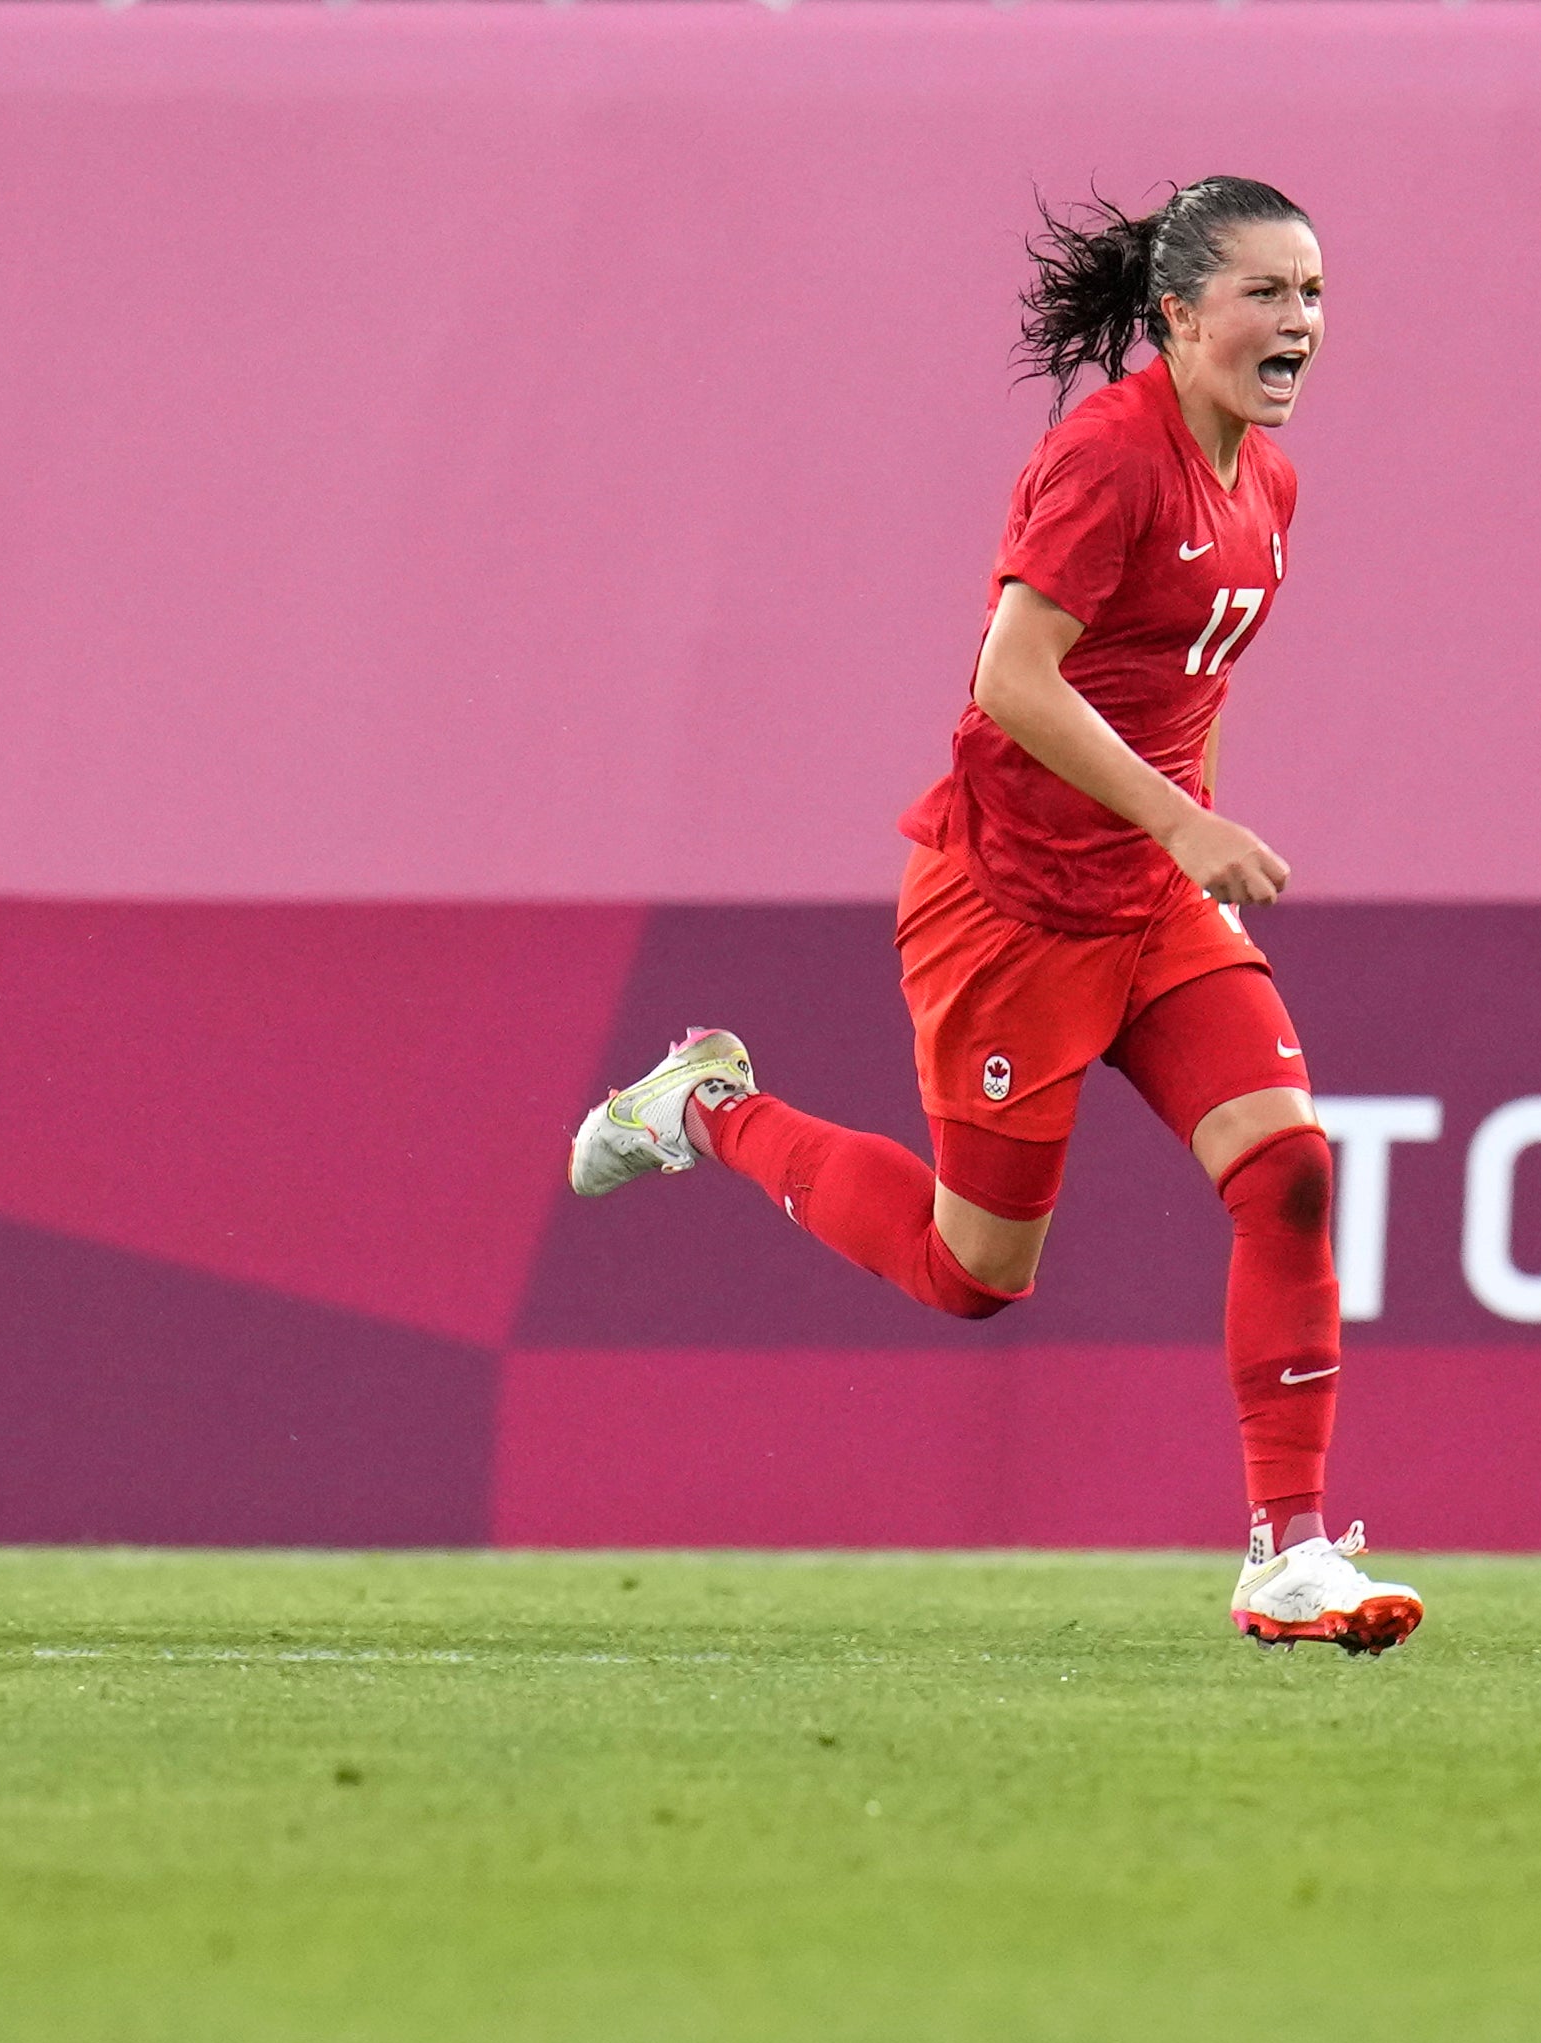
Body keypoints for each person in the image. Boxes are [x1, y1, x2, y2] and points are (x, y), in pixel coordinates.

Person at [568, 178, 1422, 1655]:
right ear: (1178, 314)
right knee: (976, 1277)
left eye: (1317, 295)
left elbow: (1182, 698)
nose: (1301, 325)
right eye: (1269, 295)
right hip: (1009, 907)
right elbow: (1010, 681)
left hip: (1147, 903)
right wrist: (1184, 819)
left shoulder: (1267, 485)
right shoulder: (1107, 458)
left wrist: (1180, 849)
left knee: (1288, 1170)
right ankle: (708, 1108)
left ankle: (1290, 1553)